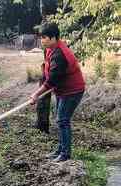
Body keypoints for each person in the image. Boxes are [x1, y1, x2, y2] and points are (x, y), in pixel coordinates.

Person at [30, 22, 86, 162]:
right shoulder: (51, 49)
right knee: (60, 119)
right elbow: (51, 77)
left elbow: (52, 81)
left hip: (73, 91)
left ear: (53, 37)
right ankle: (60, 149)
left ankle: (65, 154)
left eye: (44, 37)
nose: (41, 40)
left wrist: (36, 94)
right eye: (41, 37)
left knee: (63, 120)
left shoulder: (60, 54)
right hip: (62, 90)